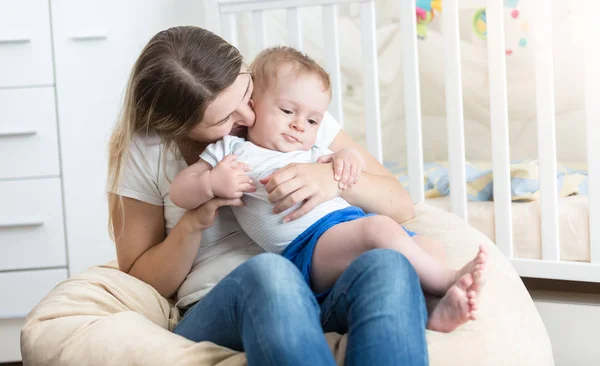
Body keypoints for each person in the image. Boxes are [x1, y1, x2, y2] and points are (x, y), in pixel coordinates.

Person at [107, 26, 429, 365]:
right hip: (226, 301)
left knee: (388, 264)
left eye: (246, 93)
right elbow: (140, 278)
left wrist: (332, 177)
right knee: (271, 273)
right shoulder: (147, 151)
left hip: (320, 285)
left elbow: (400, 204)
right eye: (224, 117)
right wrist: (193, 223)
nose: (248, 116)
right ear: (180, 126)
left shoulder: (290, 108)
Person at [169, 46, 487, 333]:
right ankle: (446, 279)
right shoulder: (233, 150)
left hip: (347, 226)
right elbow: (180, 191)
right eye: (287, 111)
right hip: (306, 248)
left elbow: (346, 166)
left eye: (312, 120)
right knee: (379, 229)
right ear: (253, 107)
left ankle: (433, 312)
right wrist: (211, 182)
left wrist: (346, 157)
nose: (299, 125)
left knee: (428, 247)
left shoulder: (312, 149)